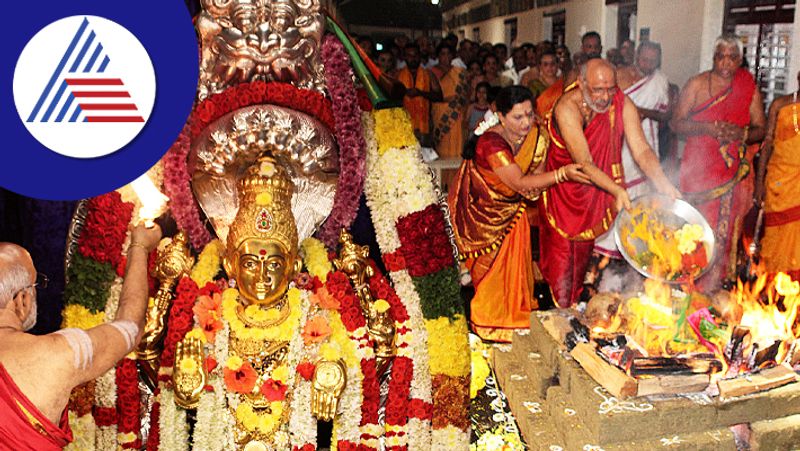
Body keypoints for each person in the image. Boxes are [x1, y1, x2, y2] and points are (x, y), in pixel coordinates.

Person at [0, 224, 161, 449]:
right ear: (22, 300)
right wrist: (140, 246)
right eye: (38, 285)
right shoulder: (56, 353)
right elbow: (131, 327)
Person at [449, 86, 590, 342]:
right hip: (486, 220)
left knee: (515, 284)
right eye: (518, 117)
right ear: (500, 116)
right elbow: (520, 183)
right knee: (492, 283)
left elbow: (534, 178)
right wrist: (563, 174)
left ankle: (515, 328)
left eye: (529, 114)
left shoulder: (534, 134)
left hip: (515, 217)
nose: (526, 122)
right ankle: (491, 331)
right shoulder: (491, 144)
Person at [539, 59, 679, 307]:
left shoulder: (620, 102)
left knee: (581, 265)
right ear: (582, 84)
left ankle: (574, 315)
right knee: (562, 271)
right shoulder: (566, 108)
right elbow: (585, 162)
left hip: (594, 196)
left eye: (610, 89)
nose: (605, 97)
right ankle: (555, 320)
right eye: (597, 90)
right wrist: (616, 189)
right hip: (565, 200)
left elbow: (642, 150)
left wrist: (664, 183)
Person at [671, 35, 766, 290]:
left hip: (732, 174)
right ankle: (686, 283)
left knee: (723, 234)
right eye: (720, 56)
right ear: (713, 57)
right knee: (693, 229)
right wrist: (707, 128)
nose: (725, 62)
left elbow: (760, 129)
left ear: (740, 60)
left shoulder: (748, 87)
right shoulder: (697, 84)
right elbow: (676, 123)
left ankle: (714, 287)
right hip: (698, 171)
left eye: (732, 57)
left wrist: (741, 134)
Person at [588, 41, 672, 293]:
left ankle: (631, 263)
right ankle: (601, 266)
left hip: (642, 144)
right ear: (636, 57)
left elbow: (666, 115)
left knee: (639, 208)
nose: (648, 65)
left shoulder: (660, 82)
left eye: (653, 61)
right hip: (617, 148)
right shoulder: (620, 77)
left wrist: (641, 112)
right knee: (613, 201)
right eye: (644, 59)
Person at [755, 71, 800, 277]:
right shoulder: (780, 105)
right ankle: (771, 286)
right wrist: (759, 181)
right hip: (779, 183)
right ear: (798, 78)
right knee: (774, 235)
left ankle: (793, 293)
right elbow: (767, 144)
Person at [431, 43, 470, 188]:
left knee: (457, 151)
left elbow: (466, 94)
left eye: (448, 54)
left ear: (453, 56)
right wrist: (447, 100)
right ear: (438, 56)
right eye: (442, 54)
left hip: (457, 117)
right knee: (442, 152)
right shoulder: (432, 72)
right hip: (441, 117)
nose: (446, 57)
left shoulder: (460, 72)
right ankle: (443, 186)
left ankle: (457, 186)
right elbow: (433, 95)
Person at [398, 43, 443, 145]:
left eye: (415, 55)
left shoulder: (428, 74)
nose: (412, 58)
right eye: (409, 56)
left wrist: (420, 93)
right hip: (404, 125)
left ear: (419, 56)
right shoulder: (398, 74)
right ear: (404, 57)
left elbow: (439, 96)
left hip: (425, 126)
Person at [522, 50, 564, 119]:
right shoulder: (534, 85)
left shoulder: (563, 84)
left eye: (552, 64)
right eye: (545, 64)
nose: (549, 67)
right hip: (540, 121)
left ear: (558, 65)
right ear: (540, 66)